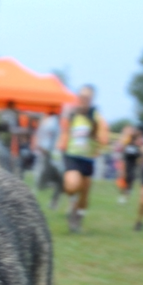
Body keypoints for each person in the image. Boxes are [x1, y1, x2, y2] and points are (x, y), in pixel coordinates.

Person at [58, 84, 109, 232]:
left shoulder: (96, 116)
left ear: (92, 99)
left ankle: (76, 220)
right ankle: (72, 204)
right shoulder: (71, 113)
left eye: (87, 97)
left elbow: (103, 139)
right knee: (72, 184)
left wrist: (93, 125)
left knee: (84, 195)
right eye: (81, 96)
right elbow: (64, 131)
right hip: (72, 155)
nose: (83, 100)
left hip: (87, 159)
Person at [116, 124, 143, 204]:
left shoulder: (138, 143)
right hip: (125, 162)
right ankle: (123, 194)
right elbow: (122, 151)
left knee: (130, 179)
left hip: (133, 164)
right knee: (122, 178)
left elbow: (140, 155)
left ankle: (126, 195)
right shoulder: (127, 142)